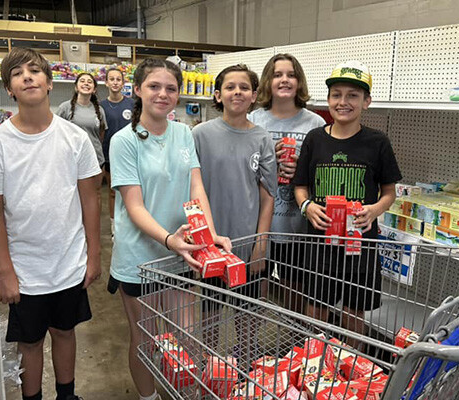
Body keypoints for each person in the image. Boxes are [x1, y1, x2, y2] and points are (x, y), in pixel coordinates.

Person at [0, 48, 101, 400]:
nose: (27, 77)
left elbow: (91, 199)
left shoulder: (74, 138)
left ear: (48, 83)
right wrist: (5, 270)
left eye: (34, 71)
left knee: (64, 331)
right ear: (10, 89)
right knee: (29, 342)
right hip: (25, 268)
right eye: (17, 73)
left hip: (68, 261)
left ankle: (67, 394)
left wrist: (93, 254)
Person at [108, 58, 231, 400]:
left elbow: (196, 188)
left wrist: (209, 233)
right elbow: (133, 205)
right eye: (154, 86)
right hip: (139, 260)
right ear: (138, 90)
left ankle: (183, 394)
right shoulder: (124, 140)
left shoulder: (183, 133)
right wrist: (168, 239)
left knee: (186, 334)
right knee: (145, 339)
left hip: (181, 255)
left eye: (171, 88)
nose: (163, 94)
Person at [293, 61, 401, 339]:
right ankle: (313, 363)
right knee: (315, 310)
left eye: (353, 95)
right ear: (328, 100)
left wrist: (374, 210)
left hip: (360, 245)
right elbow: (300, 187)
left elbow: (389, 192)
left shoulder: (378, 142)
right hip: (319, 245)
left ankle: (352, 369)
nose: (343, 102)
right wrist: (307, 206)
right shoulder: (315, 139)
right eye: (336, 94)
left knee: (354, 313)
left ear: (367, 101)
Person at [192, 64, 276, 359]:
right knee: (210, 309)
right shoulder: (200, 134)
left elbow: (268, 196)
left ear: (254, 96)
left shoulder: (262, 139)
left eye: (244, 87)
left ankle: (245, 358)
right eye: (230, 87)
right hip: (211, 245)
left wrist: (260, 243)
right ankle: (210, 361)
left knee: (248, 309)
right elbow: (192, 187)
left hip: (246, 242)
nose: (237, 92)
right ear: (217, 95)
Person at [248, 53, 325, 313]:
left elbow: (321, 174)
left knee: (295, 289)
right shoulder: (254, 120)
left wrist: (301, 173)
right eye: (278, 74)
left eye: (291, 75)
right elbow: (243, 170)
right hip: (260, 224)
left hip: (298, 225)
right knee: (256, 286)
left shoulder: (315, 123)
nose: (285, 80)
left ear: (299, 81)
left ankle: (295, 344)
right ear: (268, 81)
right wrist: (272, 165)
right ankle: (249, 344)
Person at [100, 68, 134, 235]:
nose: (115, 82)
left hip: (130, 155)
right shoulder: (100, 106)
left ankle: (132, 222)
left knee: (131, 191)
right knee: (113, 192)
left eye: (118, 79)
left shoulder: (132, 104)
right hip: (108, 155)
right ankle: (115, 227)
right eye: (111, 79)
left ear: (123, 83)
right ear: (106, 82)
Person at [57, 72, 108, 168]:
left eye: (89, 82)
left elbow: (101, 135)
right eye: (82, 81)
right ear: (76, 87)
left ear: (94, 89)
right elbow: (57, 133)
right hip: (72, 160)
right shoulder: (65, 107)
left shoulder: (100, 110)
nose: (86, 83)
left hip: (96, 160)